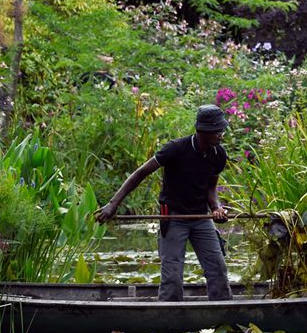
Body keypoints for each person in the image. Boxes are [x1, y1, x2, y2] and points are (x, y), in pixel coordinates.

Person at [95, 104, 233, 301]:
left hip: (201, 217)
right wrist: (113, 204)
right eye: (217, 130)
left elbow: (211, 188)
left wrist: (216, 208)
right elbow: (140, 173)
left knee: (218, 270)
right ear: (203, 130)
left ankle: (223, 311)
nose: (221, 134)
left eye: (222, 129)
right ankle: (168, 315)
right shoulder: (175, 149)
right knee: (172, 278)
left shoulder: (218, 154)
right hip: (174, 217)